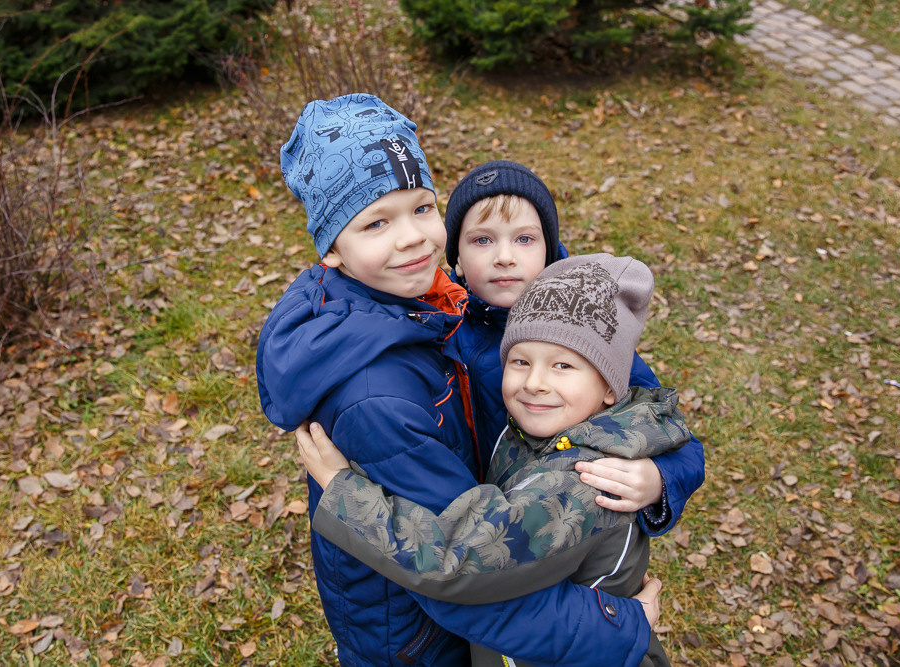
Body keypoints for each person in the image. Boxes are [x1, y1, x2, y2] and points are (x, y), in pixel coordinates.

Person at [257, 93, 659, 667]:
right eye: (376, 222)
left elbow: (642, 399)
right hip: (423, 637)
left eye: (422, 208)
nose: (413, 238)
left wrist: (662, 477)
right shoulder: (377, 396)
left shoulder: (431, 304)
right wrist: (618, 627)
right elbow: (463, 573)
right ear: (333, 251)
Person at [299, 254, 691, 667]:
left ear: (610, 387)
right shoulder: (542, 433)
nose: (535, 383)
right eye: (521, 361)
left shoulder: (582, 479)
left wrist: (343, 491)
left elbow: (456, 560)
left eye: (563, 365)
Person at [442, 160, 705, 533]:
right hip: (472, 524)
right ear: (457, 260)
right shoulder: (440, 330)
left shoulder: (586, 325)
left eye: (524, 239)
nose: (504, 256)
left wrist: (658, 477)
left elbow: (671, 434)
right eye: (482, 240)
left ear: (548, 251)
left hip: (564, 522)